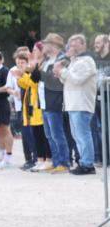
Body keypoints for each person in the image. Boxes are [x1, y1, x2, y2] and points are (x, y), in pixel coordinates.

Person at [58, 34, 99, 175]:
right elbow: (68, 80)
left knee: (83, 134)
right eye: (70, 45)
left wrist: (62, 71)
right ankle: (83, 161)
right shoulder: (74, 61)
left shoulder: (87, 61)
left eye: (75, 45)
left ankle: (88, 164)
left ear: (83, 45)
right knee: (77, 135)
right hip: (73, 104)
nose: (72, 48)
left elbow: (77, 80)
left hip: (81, 103)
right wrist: (61, 73)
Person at [32, 34, 71, 174]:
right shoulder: (47, 60)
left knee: (57, 133)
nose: (44, 46)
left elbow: (54, 80)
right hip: (44, 101)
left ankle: (64, 162)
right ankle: (55, 160)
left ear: (54, 45)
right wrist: (35, 67)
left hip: (55, 100)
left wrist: (39, 74)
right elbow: (36, 78)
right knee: (49, 134)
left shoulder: (62, 59)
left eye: (46, 43)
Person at [12, 50, 48, 171]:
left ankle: (45, 160)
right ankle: (37, 159)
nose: (21, 65)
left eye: (24, 62)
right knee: (34, 136)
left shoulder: (37, 69)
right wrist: (20, 77)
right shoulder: (31, 70)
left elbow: (32, 83)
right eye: (19, 62)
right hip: (30, 108)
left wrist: (22, 75)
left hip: (37, 107)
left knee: (41, 136)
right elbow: (25, 85)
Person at [0, 51, 14, 167]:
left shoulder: (5, 71)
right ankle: (2, 153)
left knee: (5, 128)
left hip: (2, 102)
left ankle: (8, 155)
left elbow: (8, 86)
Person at [91, 34, 109, 167]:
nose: (95, 45)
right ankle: (102, 158)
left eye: (98, 42)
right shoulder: (94, 58)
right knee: (98, 129)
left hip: (107, 97)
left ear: (105, 43)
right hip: (96, 97)